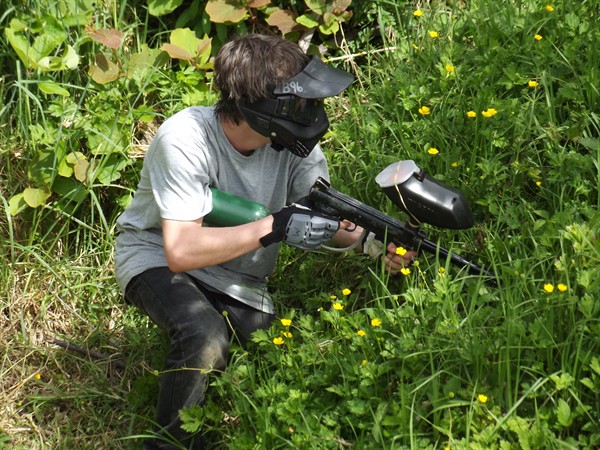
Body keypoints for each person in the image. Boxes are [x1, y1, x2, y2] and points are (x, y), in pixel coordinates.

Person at [115, 33, 413, 449]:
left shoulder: (292, 146)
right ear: (258, 106)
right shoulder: (185, 138)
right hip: (155, 258)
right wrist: (273, 226)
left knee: (269, 350)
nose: (311, 112)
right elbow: (180, 250)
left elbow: (324, 216)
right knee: (204, 335)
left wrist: (375, 244)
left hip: (238, 277)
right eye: (299, 103)